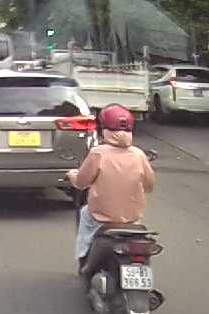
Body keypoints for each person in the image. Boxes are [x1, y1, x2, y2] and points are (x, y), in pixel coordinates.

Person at [67, 104, 156, 279]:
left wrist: (72, 175)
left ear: (104, 129)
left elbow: (81, 183)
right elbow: (149, 186)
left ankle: (84, 260)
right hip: (132, 219)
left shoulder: (98, 153)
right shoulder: (139, 155)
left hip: (101, 217)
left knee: (84, 214)